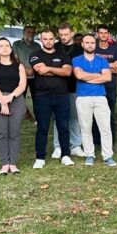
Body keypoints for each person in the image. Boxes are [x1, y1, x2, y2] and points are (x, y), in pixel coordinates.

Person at [29, 29, 74, 168]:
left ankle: (65, 155)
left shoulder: (63, 54)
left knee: (63, 126)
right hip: (42, 97)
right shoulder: (35, 55)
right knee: (43, 127)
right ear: (41, 40)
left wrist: (48, 68)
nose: (48, 41)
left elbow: (67, 72)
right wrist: (56, 70)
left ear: (54, 39)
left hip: (62, 96)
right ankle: (40, 157)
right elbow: (40, 71)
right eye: (45, 39)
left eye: (50, 39)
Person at [73, 34, 117, 167]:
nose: (90, 45)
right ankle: (89, 155)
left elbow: (108, 78)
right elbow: (79, 75)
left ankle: (107, 155)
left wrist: (88, 77)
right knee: (85, 128)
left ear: (95, 44)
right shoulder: (77, 60)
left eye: (92, 42)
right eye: (87, 42)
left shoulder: (102, 61)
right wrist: (98, 76)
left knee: (105, 127)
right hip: (83, 97)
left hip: (100, 97)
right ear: (82, 44)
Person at [0, 38, 27, 174]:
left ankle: (13, 163)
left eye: (7, 45)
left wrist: (10, 97)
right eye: (1, 46)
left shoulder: (19, 65)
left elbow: (22, 85)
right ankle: (4, 163)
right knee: (1, 133)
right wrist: (2, 100)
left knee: (14, 133)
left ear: (10, 48)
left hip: (16, 99)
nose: (4, 48)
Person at [50, 22, 84, 159]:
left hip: (75, 87)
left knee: (75, 118)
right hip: (58, 88)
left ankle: (75, 145)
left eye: (66, 34)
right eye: (61, 34)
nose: (63, 37)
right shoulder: (55, 47)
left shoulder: (79, 49)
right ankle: (58, 146)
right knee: (59, 118)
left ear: (72, 33)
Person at [94, 24, 117, 145]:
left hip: (110, 87)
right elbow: (91, 69)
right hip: (96, 86)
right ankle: (96, 142)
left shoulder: (114, 49)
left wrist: (100, 66)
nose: (103, 35)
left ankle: (111, 143)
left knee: (109, 115)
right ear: (97, 34)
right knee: (94, 116)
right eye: (101, 33)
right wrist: (110, 65)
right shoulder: (93, 48)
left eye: (105, 33)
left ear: (108, 34)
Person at [12, 25, 39, 121]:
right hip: (21, 75)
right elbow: (15, 59)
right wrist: (26, 69)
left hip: (34, 76)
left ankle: (38, 117)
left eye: (32, 32)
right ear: (23, 33)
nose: (30, 34)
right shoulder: (16, 44)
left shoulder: (37, 46)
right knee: (19, 97)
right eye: (28, 32)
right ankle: (18, 116)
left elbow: (39, 60)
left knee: (36, 98)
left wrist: (32, 69)